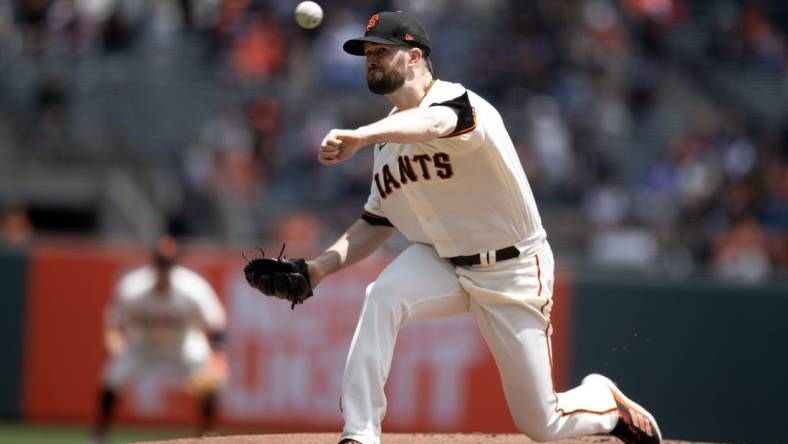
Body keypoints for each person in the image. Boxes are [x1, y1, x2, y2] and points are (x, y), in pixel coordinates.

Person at [303, 11, 663, 444]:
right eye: (366, 53)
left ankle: (604, 401)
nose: (371, 60)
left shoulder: (460, 103)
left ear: (415, 56)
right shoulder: (385, 145)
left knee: (541, 423)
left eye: (381, 50)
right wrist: (316, 270)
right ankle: (359, 434)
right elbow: (375, 224)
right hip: (444, 261)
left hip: (512, 268)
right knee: (382, 295)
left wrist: (359, 135)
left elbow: (433, 124)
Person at [87, 235, 227, 444]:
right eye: (161, 263)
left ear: (176, 264)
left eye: (168, 264)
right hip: (144, 344)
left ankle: (207, 436)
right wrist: (114, 340)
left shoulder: (193, 288)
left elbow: (217, 323)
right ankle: (98, 436)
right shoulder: (134, 286)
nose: (164, 269)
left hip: (183, 344)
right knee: (111, 379)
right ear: (153, 262)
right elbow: (113, 320)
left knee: (212, 381)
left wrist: (217, 357)